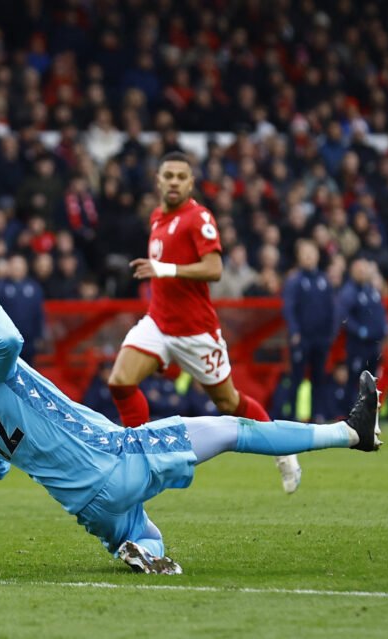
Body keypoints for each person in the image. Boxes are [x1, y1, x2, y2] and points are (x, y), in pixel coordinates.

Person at [0, 254, 381, 574]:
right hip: (115, 460)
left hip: (86, 505)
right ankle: (350, 432)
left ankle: (139, 552)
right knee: (236, 429)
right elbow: (11, 342)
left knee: (149, 536)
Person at [106, 152, 302, 494]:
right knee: (120, 382)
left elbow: (214, 269)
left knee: (229, 402)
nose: (174, 182)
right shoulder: (156, 218)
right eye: (168, 176)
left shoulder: (199, 218)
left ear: (191, 182)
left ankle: (283, 450)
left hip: (196, 332)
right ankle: (142, 461)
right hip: (158, 324)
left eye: (181, 177)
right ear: (158, 180)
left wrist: (165, 269)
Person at [282, 239, 338, 422]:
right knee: (296, 378)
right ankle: (291, 416)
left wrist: (331, 332)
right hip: (302, 338)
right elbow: (289, 308)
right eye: (305, 253)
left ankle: (317, 414)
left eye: (312, 253)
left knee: (319, 378)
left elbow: (332, 308)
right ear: (299, 257)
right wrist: (294, 331)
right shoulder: (294, 281)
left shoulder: (324, 279)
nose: (309, 257)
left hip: (321, 338)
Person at [337, 257, 388, 399]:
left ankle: (367, 411)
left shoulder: (371, 291)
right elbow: (343, 316)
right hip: (358, 345)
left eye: (364, 270)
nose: (362, 273)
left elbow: (380, 311)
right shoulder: (349, 292)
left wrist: (384, 327)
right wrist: (359, 330)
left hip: (374, 343)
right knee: (355, 377)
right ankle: (349, 411)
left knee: (371, 380)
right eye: (359, 270)